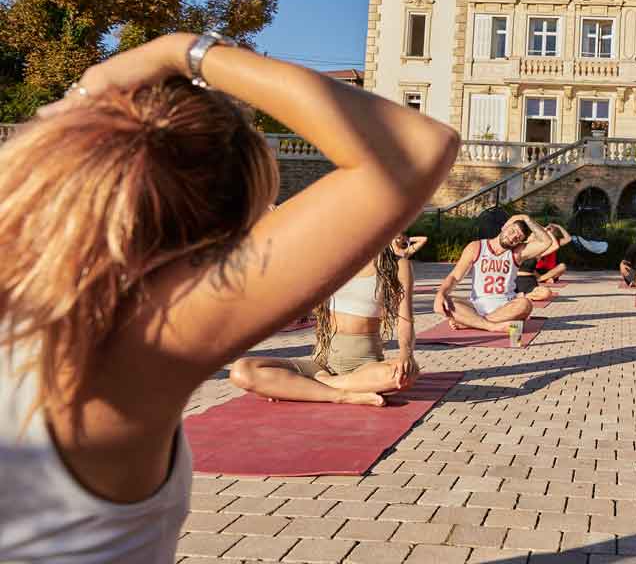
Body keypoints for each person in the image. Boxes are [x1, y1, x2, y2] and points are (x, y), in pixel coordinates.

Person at [0, 32, 458, 562]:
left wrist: (80, 111)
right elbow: (413, 149)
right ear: (222, 232)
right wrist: (181, 51)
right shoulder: (129, 349)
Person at [229, 233, 427, 405]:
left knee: (406, 374)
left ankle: (305, 388)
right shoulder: (329, 260)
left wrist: (405, 354)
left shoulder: (397, 265)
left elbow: (405, 320)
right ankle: (344, 395)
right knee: (242, 370)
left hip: (364, 365)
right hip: (321, 363)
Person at [435, 214, 553, 332]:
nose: (512, 237)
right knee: (447, 302)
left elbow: (546, 242)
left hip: (506, 307)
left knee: (525, 304)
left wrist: (527, 218)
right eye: (512, 231)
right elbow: (455, 276)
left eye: (518, 238)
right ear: (504, 227)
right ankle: (492, 326)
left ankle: (472, 323)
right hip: (476, 305)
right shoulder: (476, 247)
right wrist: (441, 293)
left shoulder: (517, 253)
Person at [516, 222, 569, 301]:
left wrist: (546, 231)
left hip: (530, 282)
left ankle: (523, 296)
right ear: (528, 236)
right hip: (516, 280)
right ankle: (521, 295)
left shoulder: (537, 253)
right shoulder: (517, 248)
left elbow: (555, 246)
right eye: (533, 235)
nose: (534, 237)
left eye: (536, 237)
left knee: (547, 293)